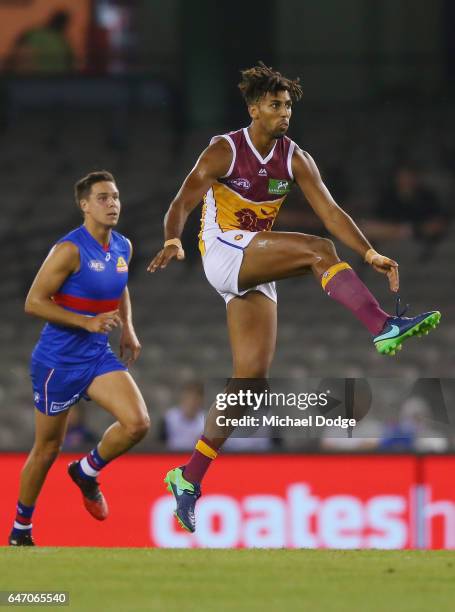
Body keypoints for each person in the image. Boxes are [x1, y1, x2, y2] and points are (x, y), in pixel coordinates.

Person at [147, 62, 440, 533]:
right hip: (222, 250)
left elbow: (330, 210)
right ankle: (382, 323)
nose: (284, 112)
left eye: (288, 105)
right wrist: (171, 238)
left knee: (250, 382)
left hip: (253, 260)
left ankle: (188, 477)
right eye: (274, 105)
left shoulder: (295, 157)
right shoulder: (225, 149)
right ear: (253, 108)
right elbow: (182, 200)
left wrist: (368, 251)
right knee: (316, 251)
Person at [9, 171, 150, 546]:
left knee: (137, 424)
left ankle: (87, 471)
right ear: (84, 205)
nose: (112, 204)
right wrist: (85, 322)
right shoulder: (69, 250)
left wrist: (128, 328)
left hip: (96, 355)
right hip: (58, 361)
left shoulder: (123, 246)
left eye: (116, 197)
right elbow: (33, 302)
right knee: (47, 448)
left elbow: (120, 288)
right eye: (103, 198)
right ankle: (21, 528)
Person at [159, 382, 206, 451]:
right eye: (189, 397)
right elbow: (160, 444)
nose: (191, 402)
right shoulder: (168, 418)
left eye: (195, 398)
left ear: (201, 400)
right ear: (183, 398)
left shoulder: (207, 422)